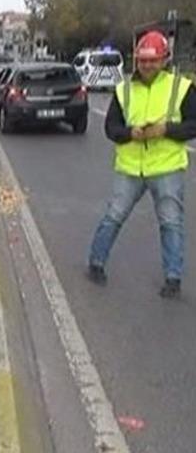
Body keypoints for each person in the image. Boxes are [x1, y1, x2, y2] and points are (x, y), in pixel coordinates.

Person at [87, 30, 196, 298]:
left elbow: (193, 125)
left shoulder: (181, 87)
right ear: (137, 61)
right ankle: (96, 263)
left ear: (164, 60)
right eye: (143, 61)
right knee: (114, 217)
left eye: (153, 60)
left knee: (171, 223)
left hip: (166, 167)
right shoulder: (123, 89)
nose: (147, 66)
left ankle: (173, 278)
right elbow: (110, 127)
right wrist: (130, 133)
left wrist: (166, 129)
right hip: (131, 167)